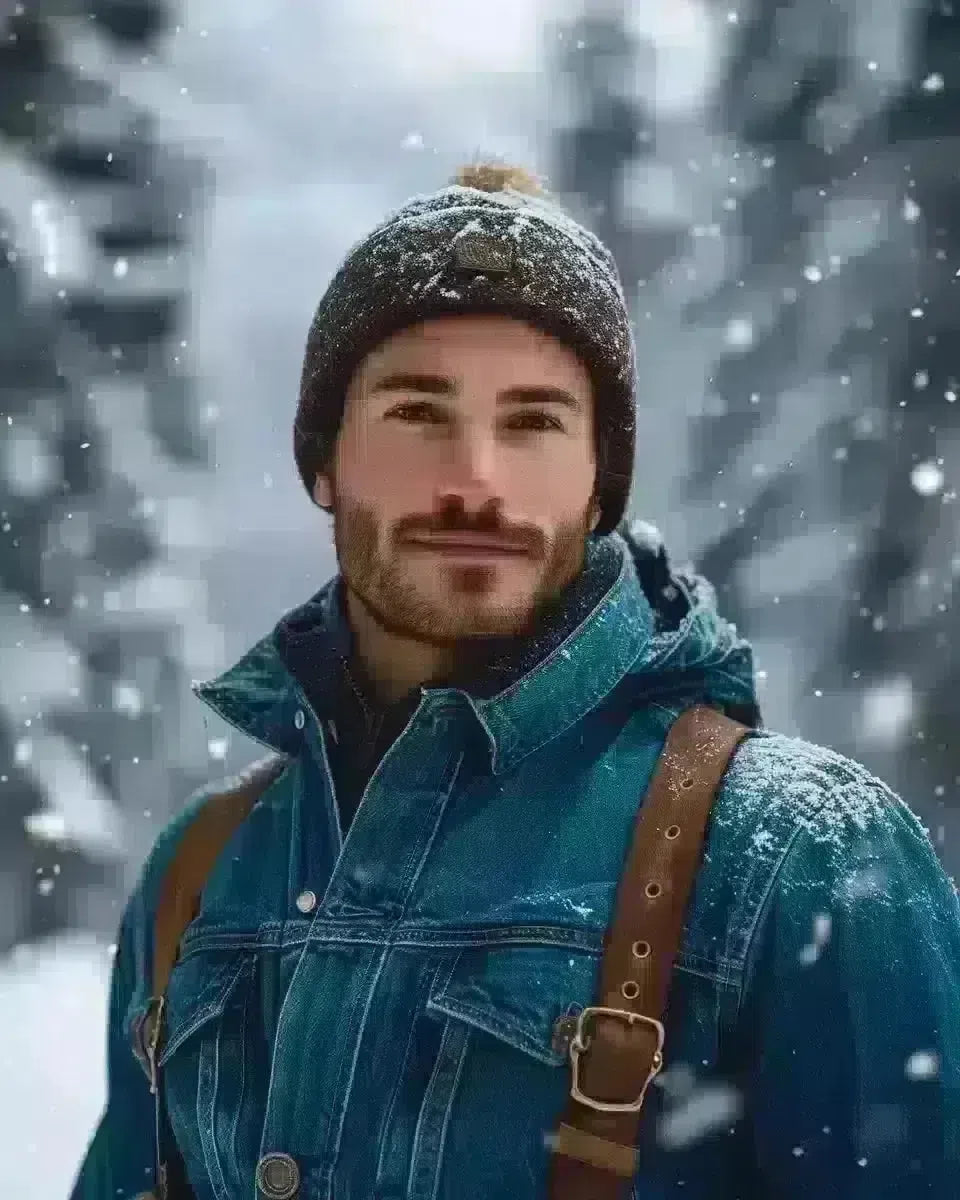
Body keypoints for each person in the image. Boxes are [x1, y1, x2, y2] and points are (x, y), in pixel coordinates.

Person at [70, 164, 960, 1200]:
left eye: (534, 422)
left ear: (599, 486)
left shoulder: (799, 851)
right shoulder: (200, 875)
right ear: (325, 462)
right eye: (418, 412)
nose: (476, 479)